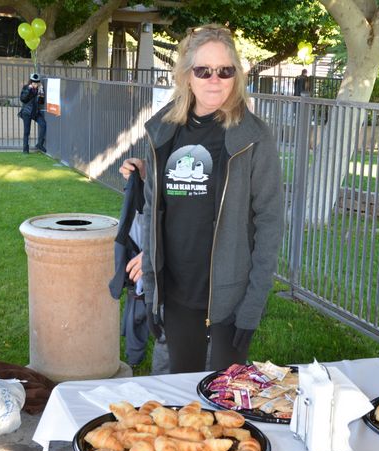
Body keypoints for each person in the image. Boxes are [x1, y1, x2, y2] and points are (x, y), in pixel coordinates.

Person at [118, 24, 283, 374]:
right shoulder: (163, 131)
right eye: (203, 70)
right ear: (186, 76)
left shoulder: (253, 137)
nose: (215, 79)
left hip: (229, 298)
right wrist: (151, 290)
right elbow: (153, 215)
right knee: (182, 403)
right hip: (176, 294)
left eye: (225, 70)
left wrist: (252, 307)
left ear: (235, 75)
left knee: (223, 403)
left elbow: (270, 221)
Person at [19, 73, 46, 154]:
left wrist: (41, 92)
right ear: (31, 82)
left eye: (37, 83)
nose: (35, 84)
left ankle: (40, 144)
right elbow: (23, 99)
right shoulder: (26, 88)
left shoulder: (39, 89)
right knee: (27, 131)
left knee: (43, 124)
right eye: (34, 83)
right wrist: (28, 90)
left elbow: (41, 102)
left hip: (35, 112)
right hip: (26, 112)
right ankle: (25, 150)